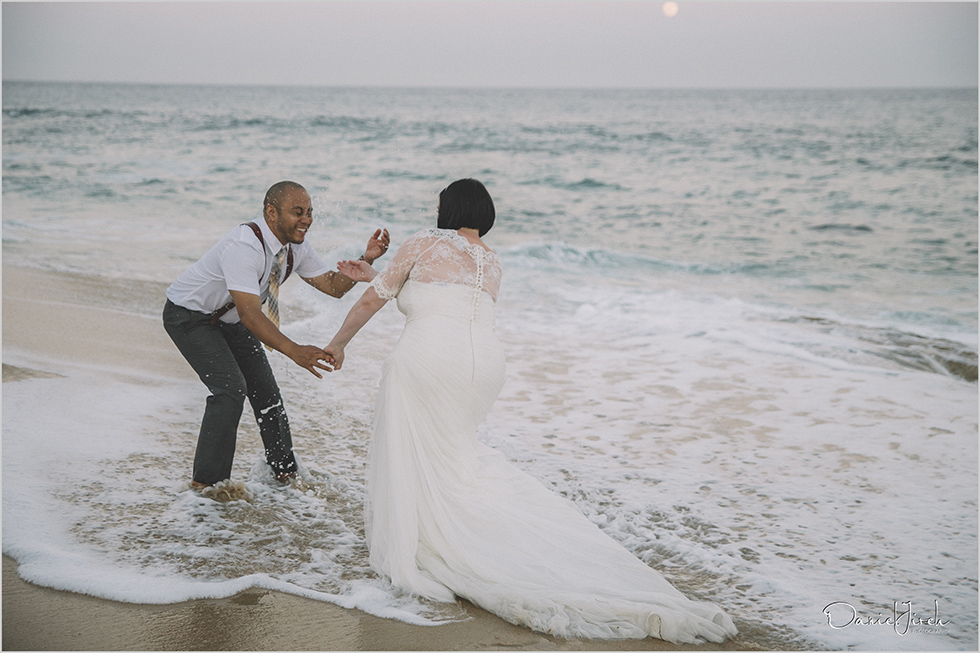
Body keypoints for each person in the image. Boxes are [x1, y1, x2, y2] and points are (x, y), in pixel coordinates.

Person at [322, 179, 738, 644]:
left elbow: (377, 299)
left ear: (449, 208)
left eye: (438, 205)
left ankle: (431, 541)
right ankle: (467, 530)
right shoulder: (493, 262)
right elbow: (443, 297)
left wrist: (338, 343)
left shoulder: (423, 241)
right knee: (458, 457)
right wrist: (375, 275)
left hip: (429, 356)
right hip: (483, 366)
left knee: (419, 451)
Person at [163, 180, 389, 490]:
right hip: (189, 317)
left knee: (266, 393)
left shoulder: (295, 248)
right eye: (298, 212)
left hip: (229, 320)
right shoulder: (245, 246)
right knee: (230, 390)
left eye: (309, 212)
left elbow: (333, 287)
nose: (307, 219)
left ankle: (285, 474)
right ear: (272, 212)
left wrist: (369, 258)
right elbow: (251, 314)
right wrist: (294, 350)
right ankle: (206, 488)